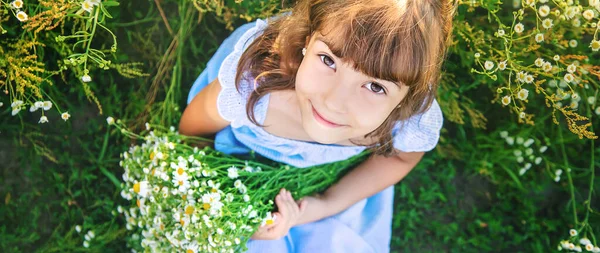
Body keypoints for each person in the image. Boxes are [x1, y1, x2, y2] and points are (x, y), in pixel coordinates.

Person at [179, 0, 455, 252]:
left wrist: (325, 203)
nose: (333, 102)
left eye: (374, 86)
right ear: (308, 42)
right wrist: (225, 205)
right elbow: (193, 130)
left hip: (330, 191)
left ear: (405, 99)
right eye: (328, 60)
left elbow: (401, 158)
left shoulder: (406, 118)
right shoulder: (254, 85)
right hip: (240, 160)